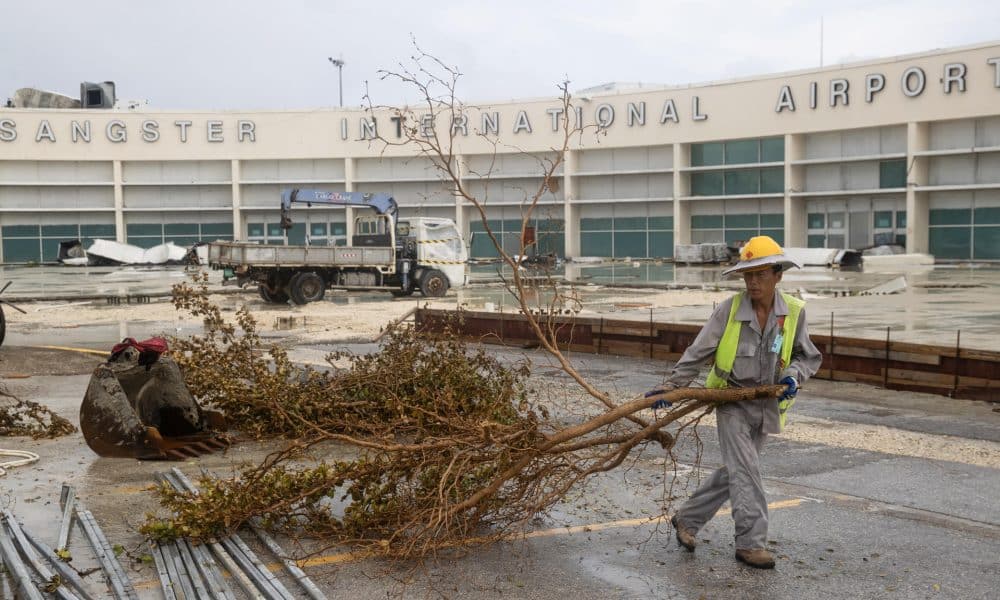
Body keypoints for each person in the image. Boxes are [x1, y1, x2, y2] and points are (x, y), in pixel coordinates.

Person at [647, 235, 822, 569]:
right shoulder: (728, 311)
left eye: (760, 274)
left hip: (767, 405)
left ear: (777, 275)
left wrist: (793, 377)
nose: (753, 281)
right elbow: (697, 353)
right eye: (748, 275)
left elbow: (807, 356)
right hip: (731, 401)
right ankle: (750, 543)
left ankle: (686, 518)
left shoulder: (794, 313)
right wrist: (670, 387)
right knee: (747, 471)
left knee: (736, 472)